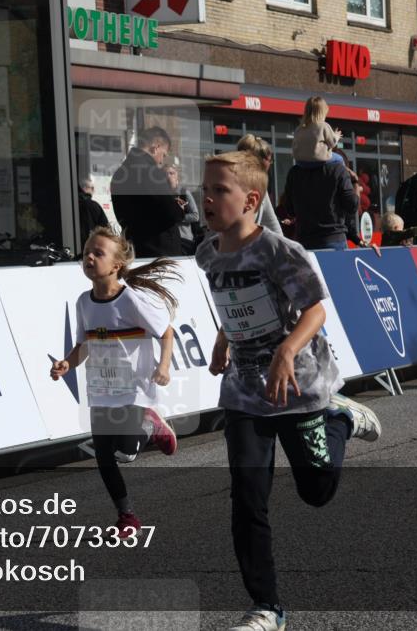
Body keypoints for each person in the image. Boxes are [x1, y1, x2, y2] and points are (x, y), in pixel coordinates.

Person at [195, 151, 380, 631]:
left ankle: (340, 419)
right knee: (247, 499)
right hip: (245, 393)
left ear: (251, 200)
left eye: (220, 190)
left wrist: (286, 350)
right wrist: (223, 339)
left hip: (297, 385)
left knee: (316, 490)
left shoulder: (281, 251)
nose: (207, 198)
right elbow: (231, 302)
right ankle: (267, 608)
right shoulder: (207, 253)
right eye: (205, 188)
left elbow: (316, 309)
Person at [50, 227, 180, 537]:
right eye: (86, 253)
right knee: (105, 455)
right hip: (100, 388)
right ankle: (127, 517)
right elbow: (84, 345)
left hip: (133, 387)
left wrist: (163, 366)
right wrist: (67, 363)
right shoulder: (83, 302)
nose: (90, 258)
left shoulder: (131, 301)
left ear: (117, 265)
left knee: (126, 447)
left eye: (99, 253)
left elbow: (166, 332)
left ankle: (152, 425)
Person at [110, 127, 185, 257]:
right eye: (163, 154)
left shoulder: (119, 174)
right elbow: (170, 212)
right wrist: (179, 208)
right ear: (155, 147)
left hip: (134, 247)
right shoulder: (150, 171)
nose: (162, 161)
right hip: (160, 249)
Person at [281, 145, 358, 251]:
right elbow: (352, 206)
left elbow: (290, 210)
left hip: (305, 241)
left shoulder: (294, 172)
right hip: (333, 239)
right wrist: (355, 183)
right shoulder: (338, 169)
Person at [236, 134, 284, 235]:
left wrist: (284, 248)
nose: (270, 165)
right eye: (269, 160)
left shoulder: (260, 187)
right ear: (259, 160)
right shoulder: (233, 186)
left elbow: (272, 224)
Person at [163, 161, 203, 255]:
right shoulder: (162, 195)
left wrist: (179, 217)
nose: (168, 176)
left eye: (171, 173)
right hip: (168, 240)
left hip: (184, 239)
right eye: (165, 174)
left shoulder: (184, 193)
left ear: (177, 176)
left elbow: (195, 215)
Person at [291, 96, 344, 166]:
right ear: (323, 112)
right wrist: (336, 136)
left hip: (300, 161)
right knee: (340, 158)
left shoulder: (299, 128)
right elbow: (332, 143)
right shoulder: (323, 126)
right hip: (318, 160)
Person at [78, 175, 109, 243]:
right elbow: (106, 230)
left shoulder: (69, 205)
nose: (93, 190)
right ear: (84, 188)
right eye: (92, 188)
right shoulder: (93, 206)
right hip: (91, 245)